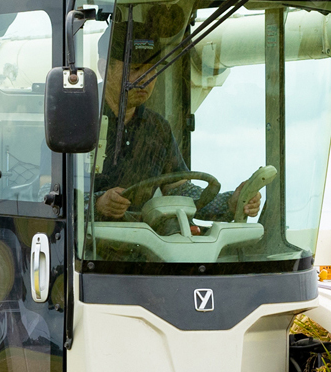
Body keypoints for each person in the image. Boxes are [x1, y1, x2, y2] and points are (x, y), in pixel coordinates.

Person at [93, 18, 260, 227]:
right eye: (135, 68)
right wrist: (95, 203)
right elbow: (45, 193)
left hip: (141, 246)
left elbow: (179, 191)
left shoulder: (156, 128)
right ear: (104, 69)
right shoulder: (75, 118)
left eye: (152, 69)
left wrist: (230, 203)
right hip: (87, 247)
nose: (145, 78)